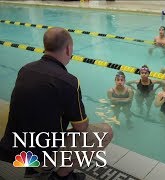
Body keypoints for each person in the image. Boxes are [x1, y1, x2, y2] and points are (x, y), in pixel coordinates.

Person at [0, 27, 113, 180]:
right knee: (105, 131)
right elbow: (81, 127)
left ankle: (34, 169)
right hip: (38, 156)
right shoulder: (69, 82)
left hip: (12, 152)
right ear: (68, 49)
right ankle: (61, 175)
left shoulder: (25, 70)